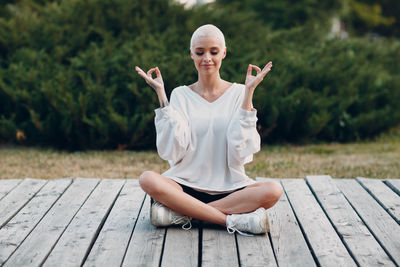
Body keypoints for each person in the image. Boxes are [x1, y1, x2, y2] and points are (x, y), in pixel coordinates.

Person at [135, 24, 283, 235]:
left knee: (273, 190)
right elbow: (173, 151)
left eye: (213, 52)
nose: (207, 58)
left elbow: (240, 153)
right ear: (191, 55)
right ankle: (232, 222)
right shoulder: (180, 94)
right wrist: (161, 95)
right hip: (184, 187)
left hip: (231, 189)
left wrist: (249, 92)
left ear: (224, 52)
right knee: (147, 179)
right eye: (200, 52)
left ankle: (181, 215)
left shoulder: (240, 92)